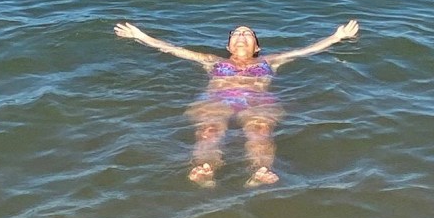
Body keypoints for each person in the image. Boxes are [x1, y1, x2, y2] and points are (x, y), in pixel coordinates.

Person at [113, 19, 360, 188]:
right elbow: (173, 50)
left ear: (257, 46)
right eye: (236, 34)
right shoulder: (212, 61)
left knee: (260, 130)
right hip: (216, 99)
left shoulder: (270, 61)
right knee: (209, 130)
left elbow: (305, 51)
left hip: (258, 100)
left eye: (247, 33)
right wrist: (140, 36)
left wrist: (337, 37)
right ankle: (206, 169)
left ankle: (260, 171)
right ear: (228, 45)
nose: (241, 36)